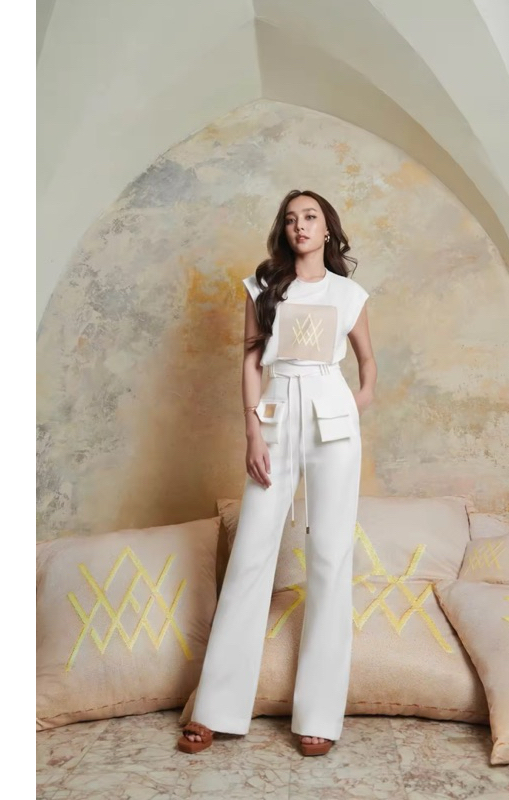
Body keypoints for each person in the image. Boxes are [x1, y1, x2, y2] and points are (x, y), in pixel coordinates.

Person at [178, 189, 377, 757]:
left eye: (310, 217)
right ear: (284, 230)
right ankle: (215, 708)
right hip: (277, 411)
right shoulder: (263, 285)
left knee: (330, 556)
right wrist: (252, 432)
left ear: (327, 228)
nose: (300, 226)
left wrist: (356, 401)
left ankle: (319, 715)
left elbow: (367, 360)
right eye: (291, 219)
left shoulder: (349, 293)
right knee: (251, 555)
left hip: (332, 417)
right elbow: (250, 359)